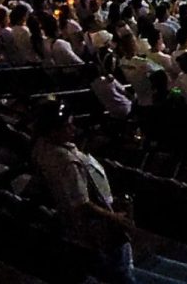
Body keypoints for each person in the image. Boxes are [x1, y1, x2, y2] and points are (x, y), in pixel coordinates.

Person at [34, 105, 133, 282]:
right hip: (96, 229)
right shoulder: (68, 163)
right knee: (120, 271)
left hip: (73, 227)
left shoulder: (41, 148)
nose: (73, 129)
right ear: (53, 132)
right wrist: (115, 217)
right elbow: (82, 203)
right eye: (67, 126)